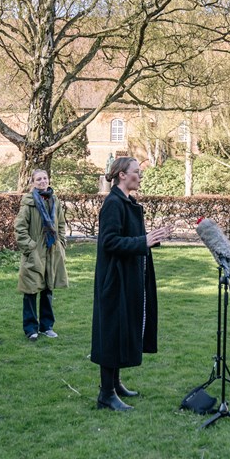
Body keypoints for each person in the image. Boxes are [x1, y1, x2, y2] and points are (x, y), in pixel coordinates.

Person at [91, 157, 172, 411]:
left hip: (126, 276)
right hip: (114, 279)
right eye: (136, 172)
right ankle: (106, 394)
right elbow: (109, 242)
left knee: (121, 329)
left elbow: (130, 237)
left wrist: (151, 238)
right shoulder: (113, 203)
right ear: (122, 175)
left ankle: (114, 384)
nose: (140, 175)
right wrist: (143, 241)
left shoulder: (126, 202)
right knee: (112, 332)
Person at [14, 169, 69, 340]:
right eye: (38, 179)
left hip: (52, 250)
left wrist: (61, 243)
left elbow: (60, 224)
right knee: (31, 289)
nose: (42, 181)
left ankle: (47, 326)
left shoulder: (55, 200)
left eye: (45, 178)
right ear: (32, 182)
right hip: (35, 251)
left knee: (48, 288)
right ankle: (31, 328)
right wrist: (30, 248)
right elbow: (20, 228)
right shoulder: (28, 203)